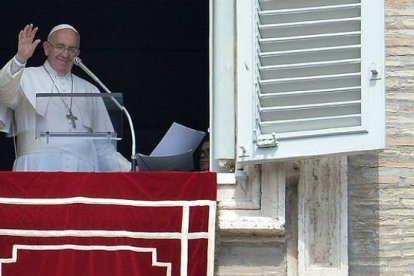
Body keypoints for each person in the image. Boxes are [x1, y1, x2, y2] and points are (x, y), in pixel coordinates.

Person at [0, 23, 130, 171]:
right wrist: (20, 59)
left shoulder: (89, 89)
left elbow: (103, 148)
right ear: (47, 48)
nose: (65, 54)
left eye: (72, 49)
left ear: (77, 54)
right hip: (36, 169)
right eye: (60, 46)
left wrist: (131, 170)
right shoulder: (24, 77)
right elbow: (3, 92)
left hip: (82, 174)